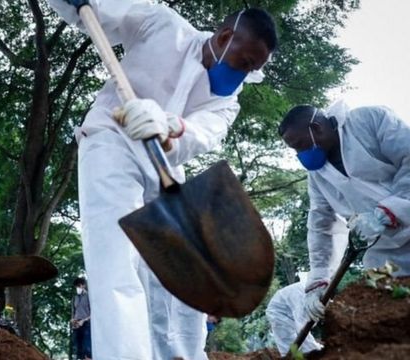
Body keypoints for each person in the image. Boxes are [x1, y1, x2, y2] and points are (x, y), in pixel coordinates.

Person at [48, 1, 278, 358]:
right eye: (244, 62)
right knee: (116, 258)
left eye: (253, 69)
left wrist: (170, 127)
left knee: (177, 280)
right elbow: (96, 15)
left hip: (166, 167)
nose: (244, 74)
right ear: (225, 36)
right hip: (110, 138)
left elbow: (202, 134)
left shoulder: (229, 100)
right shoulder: (161, 24)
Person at [278, 100, 410, 324]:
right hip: (386, 249)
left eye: (300, 144)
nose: (300, 154)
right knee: (389, 311)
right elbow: (321, 226)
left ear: (317, 128)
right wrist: (318, 281)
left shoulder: (369, 120)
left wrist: (389, 211)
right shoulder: (317, 175)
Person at [266, 281, 322, 356]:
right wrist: (316, 348)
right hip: (278, 311)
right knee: (289, 347)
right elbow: (302, 328)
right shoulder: (303, 297)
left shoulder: (316, 293)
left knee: (303, 348)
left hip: (288, 307)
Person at [71, 277, 92, 360]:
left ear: (84, 285)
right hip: (76, 325)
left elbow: (94, 313)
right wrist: (73, 320)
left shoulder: (89, 297)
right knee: (79, 349)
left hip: (86, 324)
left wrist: (83, 321)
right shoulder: (74, 298)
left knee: (87, 347)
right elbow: (73, 312)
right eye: (76, 286)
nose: (78, 288)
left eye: (79, 285)